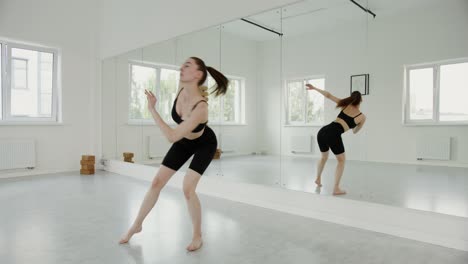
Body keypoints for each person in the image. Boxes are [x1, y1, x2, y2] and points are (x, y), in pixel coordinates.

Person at [119, 57, 228, 251]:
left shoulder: (201, 108)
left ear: (197, 74)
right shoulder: (182, 88)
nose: (181, 68)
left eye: (187, 66)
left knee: (187, 189)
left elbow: (171, 136)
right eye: (182, 64)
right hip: (184, 140)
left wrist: (152, 109)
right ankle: (137, 224)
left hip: (204, 143)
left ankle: (197, 236)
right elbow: (178, 135)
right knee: (156, 182)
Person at [306, 84, 366, 195]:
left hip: (323, 131)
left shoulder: (345, 105)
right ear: (360, 101)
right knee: (341, 160)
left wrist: (314, 88)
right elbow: (355, 132)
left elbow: (328, 95)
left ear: (351, 98)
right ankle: (336, 188)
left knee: (324, 157)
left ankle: (318, 179)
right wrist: (355, 125)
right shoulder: (362, 117)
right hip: (333, 134)